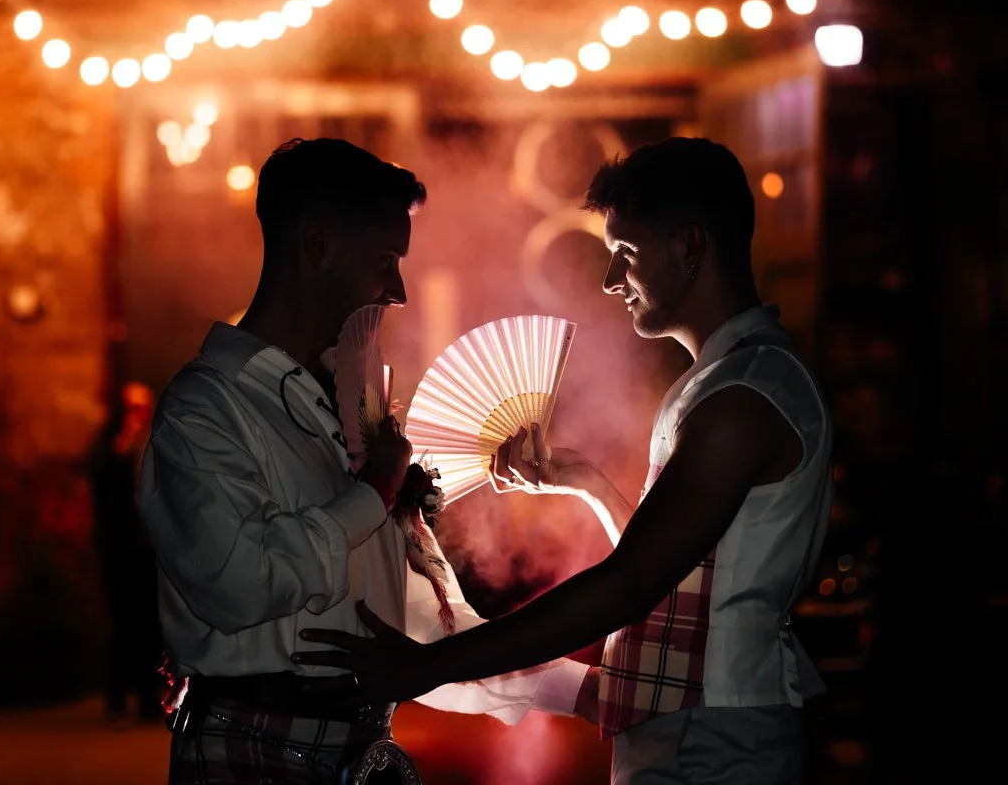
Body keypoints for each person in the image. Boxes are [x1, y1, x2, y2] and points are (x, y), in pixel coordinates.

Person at [296, 137, 835, 784]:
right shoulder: (732, 379)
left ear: (690, 247)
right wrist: (590, 486)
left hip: (714, 723)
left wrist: (425, 666)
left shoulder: (743, 396)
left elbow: (631, 585)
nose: (612, 281)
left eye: (626, 255)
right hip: (700, 714)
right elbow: (690, 566)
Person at [135, 138, 589, 784]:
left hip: (360, 752)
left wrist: (589, 695)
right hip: (251, 749)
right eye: (384, 260)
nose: (397, 290)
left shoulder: (348, 408)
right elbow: (236, 584)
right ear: (317, 245)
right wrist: (372, 492)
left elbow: (421, 630)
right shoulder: (207, 405)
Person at [88, 380, 163, 724]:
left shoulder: (156, 441)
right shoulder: (108, 445)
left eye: (143, 409)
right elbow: (101, 477)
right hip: (120, 548)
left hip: (150, 549)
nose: (139, 416)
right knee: (122, 621)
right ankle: (117, 699)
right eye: (133, 408)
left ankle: (149, 700)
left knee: (150, 624)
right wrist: (122, 445)